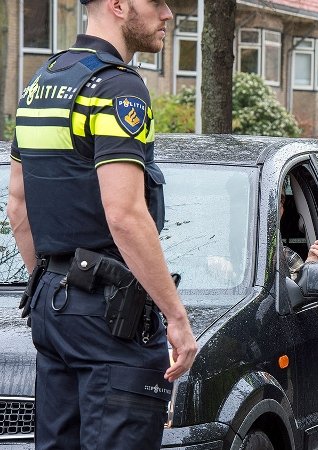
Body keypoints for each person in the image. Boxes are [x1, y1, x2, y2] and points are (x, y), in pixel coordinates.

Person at [7, 1, 197, 448]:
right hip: (111, 316)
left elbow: (18, 208)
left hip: (52, 306)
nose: (168, 14)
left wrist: (51, 281)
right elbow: (125, 215)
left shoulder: (39, 85)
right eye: (157, 3)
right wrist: (176, 316)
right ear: (118, 5)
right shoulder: (118, 88)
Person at [279, 189, 318, 279]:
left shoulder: (288, 258)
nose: (272, 207)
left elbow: (298, 290)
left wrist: (311, 269)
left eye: (280, 201)